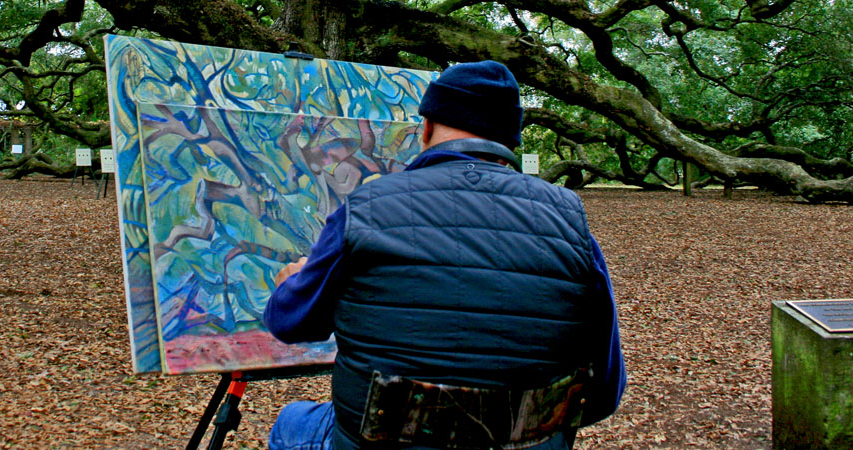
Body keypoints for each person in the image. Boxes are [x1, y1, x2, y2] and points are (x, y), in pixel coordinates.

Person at [262, 60, 625, 450]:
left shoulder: (367, 206)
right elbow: (605, 389)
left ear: (428, 128)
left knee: (290, 424)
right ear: (511, 142)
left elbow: (291, 324)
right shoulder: (570, 221)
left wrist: (289, 286)